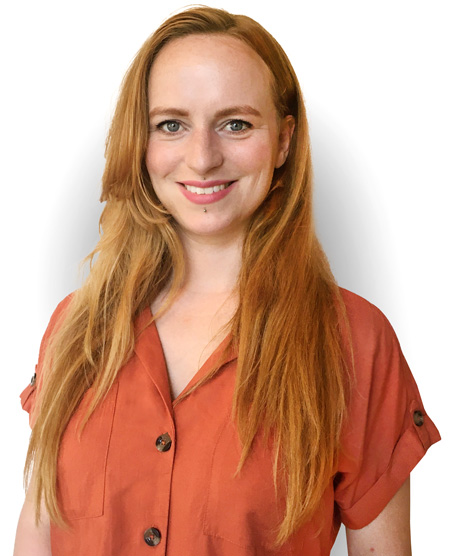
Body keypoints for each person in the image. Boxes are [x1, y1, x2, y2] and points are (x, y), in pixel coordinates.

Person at [14, 6, 440, 556]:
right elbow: (38, 531)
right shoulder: (75, 327)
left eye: (235, 124)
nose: (202, 158)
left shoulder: (356, 341)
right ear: (141, 142)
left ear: (284, 141)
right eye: (171, 125)